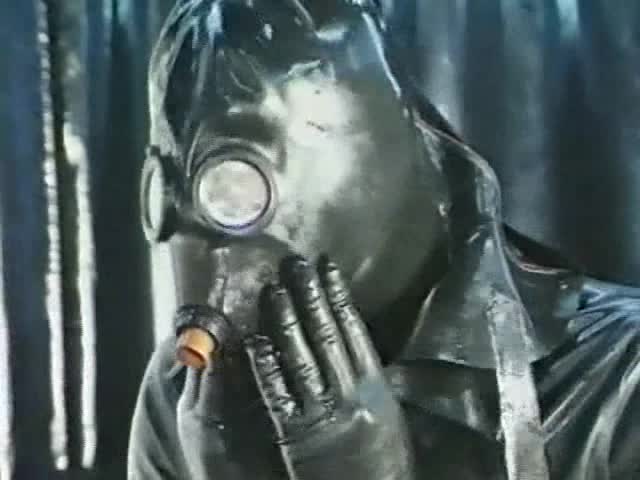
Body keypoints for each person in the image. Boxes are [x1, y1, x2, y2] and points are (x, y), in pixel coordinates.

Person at [128, 1, 640, 478]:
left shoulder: (613, 384)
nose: (201, 247)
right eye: (169, 192)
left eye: (235, 189)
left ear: (364, 153)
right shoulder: (188, 398)